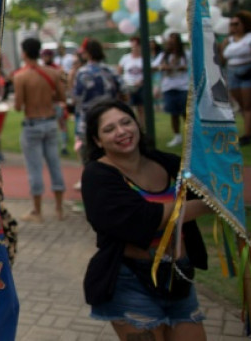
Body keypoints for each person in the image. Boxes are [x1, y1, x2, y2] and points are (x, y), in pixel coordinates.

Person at [80, 99, 211, 340]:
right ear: (98, 141)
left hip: (178, 278)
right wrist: (207, 205)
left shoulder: (168, 163)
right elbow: (142, 219)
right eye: (109, 129)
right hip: (129, 282)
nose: (121, 132)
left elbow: (208, 184)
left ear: (137, 124)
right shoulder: (97, 175)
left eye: (126, 122)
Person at [13, 37, 67, 222]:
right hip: (50, 122)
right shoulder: (53, 73)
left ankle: (38, 211)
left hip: (33, 123)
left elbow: (19, 106)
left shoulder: (20, 76)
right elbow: (61, 97)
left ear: (25, 53)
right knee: (55, 164)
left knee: (34, 168)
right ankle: (59, 209)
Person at [221, 10, 251, 145]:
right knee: (242, 105)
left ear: (244, 23)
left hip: (248, 70)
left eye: (237, 24)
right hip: (232, 72)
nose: (234, 27)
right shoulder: (229, 40)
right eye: (232, 24)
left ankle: (248, 134)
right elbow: (221, 57)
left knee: (249, 104)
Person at [154, 33, 189, 148]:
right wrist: (162, 67)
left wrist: (182, 67)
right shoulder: (164, 56)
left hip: (183, 86)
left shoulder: (185, 54)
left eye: (173, 42)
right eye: (169, 42)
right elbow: (153, 67)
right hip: (168, 87)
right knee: (173, 113)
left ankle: (190, 136)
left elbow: (192, 66)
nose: (171, 44)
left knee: (186, 113)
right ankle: (177, 136)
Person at [116, 36, 145, 121]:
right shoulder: (125, 58)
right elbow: (119, 71)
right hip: (128, 86)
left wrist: (141, 81)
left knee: (141, 109)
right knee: (129, 108)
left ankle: (142, 128)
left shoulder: (144, 59)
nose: (134, 48)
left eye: (136, 45)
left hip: (141, 87)